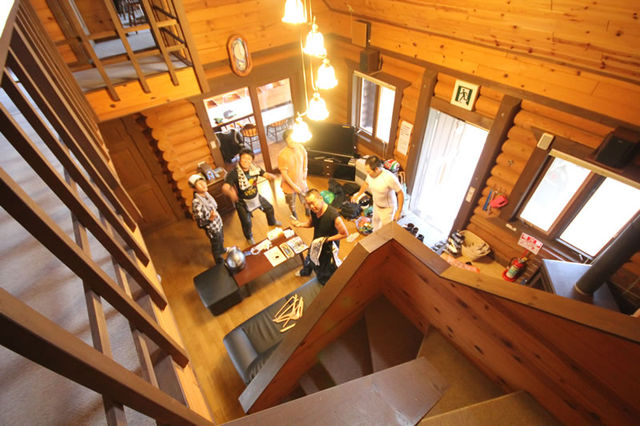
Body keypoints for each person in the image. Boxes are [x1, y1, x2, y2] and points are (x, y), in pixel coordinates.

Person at [222, 148, 281, 244]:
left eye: (249, 159)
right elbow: (225, 187)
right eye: (243, 158)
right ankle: (249, 237)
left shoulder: (255, 169)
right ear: (239, 159)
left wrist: (271, 176)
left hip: (255, 196)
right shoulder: (233, 173)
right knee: (246, 222)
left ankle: (272, 221)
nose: (246, 161)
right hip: (242, 202)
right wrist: (230, 193)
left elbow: (265, 174)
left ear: (252, 160)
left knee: (269, 208)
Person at [291, 189, 349, 284]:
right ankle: (306, 271)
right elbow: (310, 223)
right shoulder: (313, 211)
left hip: (329, 246)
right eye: (309, 204)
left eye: (313, 203)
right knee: (310, 256)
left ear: (321, 198)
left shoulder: (333, 215)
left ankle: (324, 282)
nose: (311, 207)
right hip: (317, 241)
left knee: (325, 267)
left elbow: (345, 234)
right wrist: (300, 224)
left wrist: (326, 239)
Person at [351, 156, 404, 232]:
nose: (368, 173)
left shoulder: (389, 178)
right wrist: (358, 195)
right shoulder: (370, 175)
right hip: (376, 205)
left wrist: (399, 211)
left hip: (387, 209)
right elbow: (366, 183)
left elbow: (400, 193)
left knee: (385, 231)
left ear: (376, 169)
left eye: (369, 171)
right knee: (375, 226)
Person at [189, 173, 227, 264]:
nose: (203, 185)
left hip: (218, 223)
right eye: (199, 184)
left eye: (203, 182)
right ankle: (218, 261)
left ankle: (222, 249)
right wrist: (210, 218)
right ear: (194, 188)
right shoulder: (196, 203)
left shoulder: (206, 195)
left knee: (221, 239)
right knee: (216, 245)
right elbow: (200, 224)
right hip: (212, 229)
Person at [278, 128, 310, 219]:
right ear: (285, 141)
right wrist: (294, 187)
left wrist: (305, 171)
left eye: (293, 138)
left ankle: (307, 209)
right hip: (289, 185)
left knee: (306, 198)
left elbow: (305, 158)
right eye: (289, 139)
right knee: (291, 202)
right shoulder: (282, 155)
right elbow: (284, 174)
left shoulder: (301, 147)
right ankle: (293, 212)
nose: (292, 141)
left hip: (301, 182)